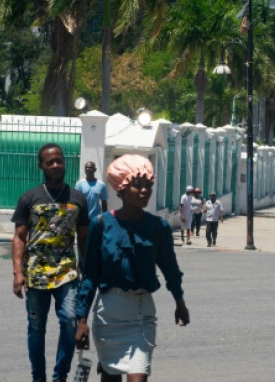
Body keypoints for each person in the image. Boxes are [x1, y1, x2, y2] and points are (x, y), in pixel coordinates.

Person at [75, 154, 190, 381]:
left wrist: (180, 302)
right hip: (108, 317)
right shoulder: (101, 224)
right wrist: (81, 320)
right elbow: (90, 276)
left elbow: (170, 269)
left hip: (141, 315)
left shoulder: (158, 226)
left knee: (139, 376)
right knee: (110, 378)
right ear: (121, 188)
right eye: (137, 185)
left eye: (148, 185)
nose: (144, 191)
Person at [12, 143, 90, 382]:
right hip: (36, 274)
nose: (56, 165)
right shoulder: (29, 198)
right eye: (50, 162)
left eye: (59, 160)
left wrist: (86, 270)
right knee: (36, 328)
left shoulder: (78, 198)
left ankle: (60, 376)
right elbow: (19, 237)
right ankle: (38, 378)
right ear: (41, 166)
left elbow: (84, 237)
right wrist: (18, 272)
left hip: (67, 272)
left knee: (69, 321)